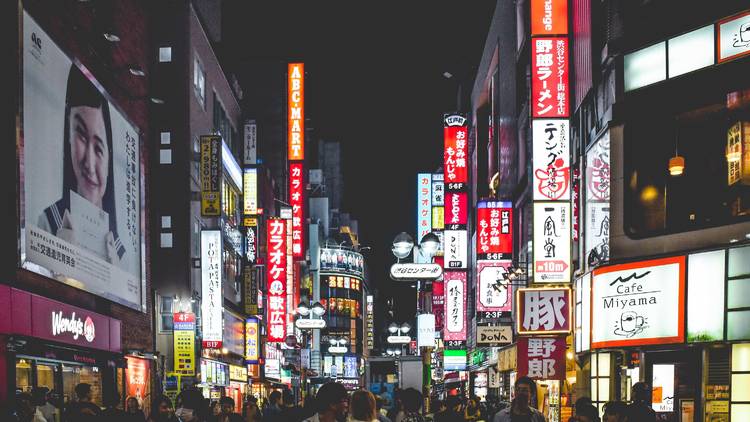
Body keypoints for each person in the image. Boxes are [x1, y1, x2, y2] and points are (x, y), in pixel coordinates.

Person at [38, 63, 125, 265]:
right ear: (68, 135)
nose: (89, 162)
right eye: (82, 137)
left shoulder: (122, 252)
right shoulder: (48, 223)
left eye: (99, 147)